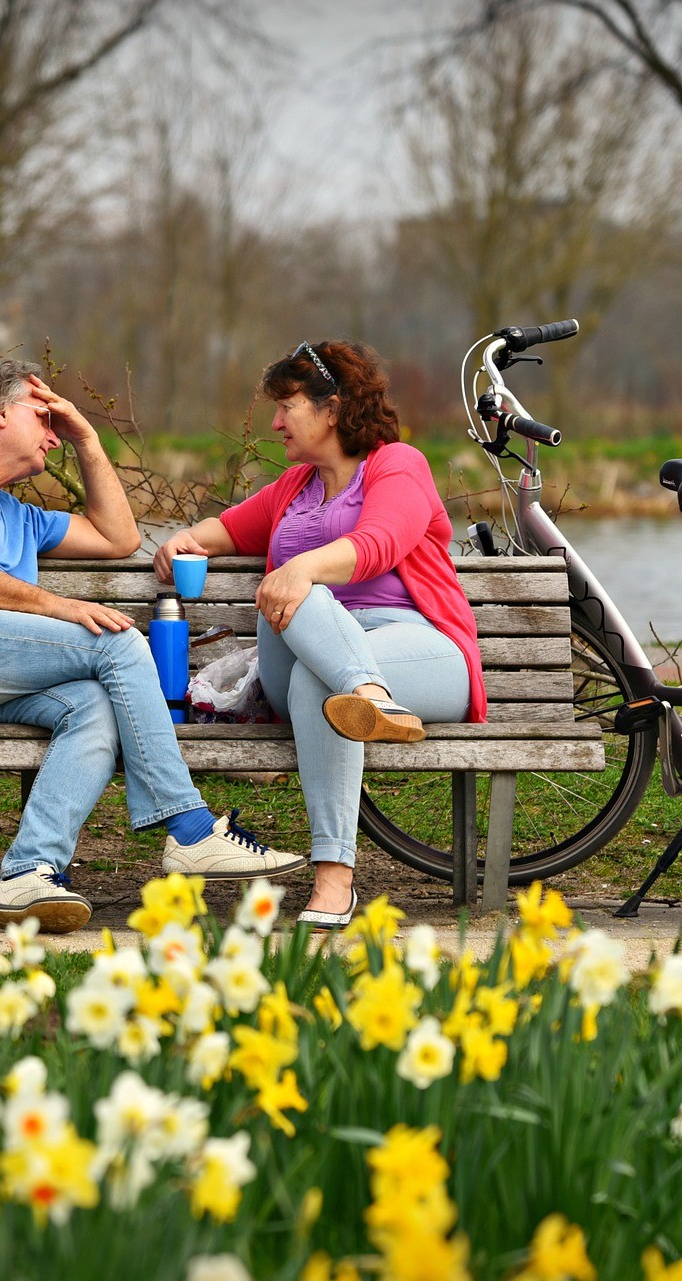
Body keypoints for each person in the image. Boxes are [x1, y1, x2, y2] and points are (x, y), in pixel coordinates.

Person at [0, 358, 305, 934]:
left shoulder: (15, 516)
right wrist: (63, 608)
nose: (51, 435)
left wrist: (87, 437)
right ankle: (190, 830)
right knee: (115, 644)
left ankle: (27, 871)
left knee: (92, 706)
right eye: (42, 417)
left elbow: (120, 538)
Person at [154, 340, 487, 928]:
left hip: (415, 649)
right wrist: (186, 538)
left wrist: (302, 567)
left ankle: (334, 878)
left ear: (332, 409)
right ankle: (368, 696)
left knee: (320, 681)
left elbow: (379, 543)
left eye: (288, 406)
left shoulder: (397, 465)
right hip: (316, 651)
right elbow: (227, 528)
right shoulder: (295, 487)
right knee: (307, 625)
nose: (276, 422)